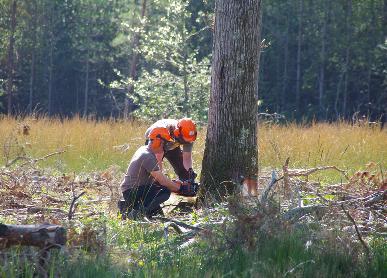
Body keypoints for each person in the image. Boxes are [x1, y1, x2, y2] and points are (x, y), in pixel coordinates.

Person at [119, 127, 197, 219]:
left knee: (158, 217)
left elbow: (157, 179)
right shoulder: (147, 156)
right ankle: (135, 214)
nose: (166, 147)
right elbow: (162, 181)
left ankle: (127, 208)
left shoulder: (144, 150)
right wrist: (181, 188)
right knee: (164, 192)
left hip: (137, 190)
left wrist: (175, 184)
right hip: (133, 191)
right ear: (157, 141)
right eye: (165, 144)